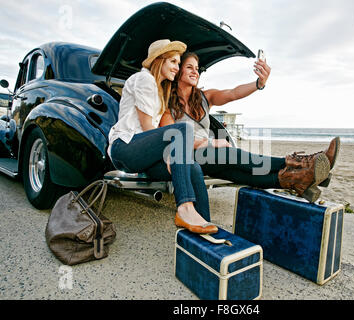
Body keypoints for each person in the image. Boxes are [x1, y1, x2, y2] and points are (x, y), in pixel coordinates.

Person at [161, 52, 340, 202]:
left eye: (197, 68)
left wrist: (258, 84)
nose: (195, 72)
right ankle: (299, 163)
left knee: (240, 174)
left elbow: (233, 93)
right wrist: (211, 142)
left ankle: (297, 178)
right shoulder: (167, 108)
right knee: (231, 155)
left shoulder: (204, 97)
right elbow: (172, 140)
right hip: (189, 158)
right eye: (189, 67)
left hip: (211, 158)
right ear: (178, 72)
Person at [108, 40, 217, 234]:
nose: (177, 67)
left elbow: (156, 133)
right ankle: (184, 208)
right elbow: (147, 127)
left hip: (144, 155)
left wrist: (172, 154)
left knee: (193, 168)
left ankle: (202, 226)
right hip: (125, 148)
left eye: (177, 63)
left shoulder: (159, 90)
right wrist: (168, 153)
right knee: (183, 129)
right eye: (173, 62)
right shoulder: (144, 79)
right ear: (160, 60)